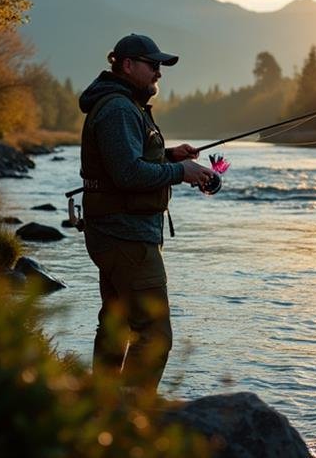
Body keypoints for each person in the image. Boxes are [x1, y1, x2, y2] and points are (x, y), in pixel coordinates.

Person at [77, 33, 214, 392]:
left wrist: (169, 157)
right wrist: (181, 173)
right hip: (126, 236)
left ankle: (102, 409)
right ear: (127, 65)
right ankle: (130, 421)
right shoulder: (120, 108)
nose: (158, 73)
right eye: (153, 65)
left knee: (116, 323)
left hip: (116, 233)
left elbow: (125, 161)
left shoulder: (122, 105)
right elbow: (127, 174)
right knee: (155, 335)